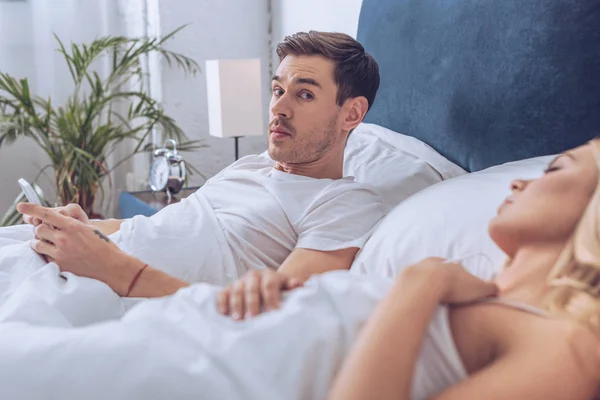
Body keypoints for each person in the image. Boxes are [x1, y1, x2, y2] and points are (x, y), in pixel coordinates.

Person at [6, 141, 600, 400]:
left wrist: (423, 283)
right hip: (198, 330)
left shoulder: (569, 347)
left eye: (557, 171)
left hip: (206, 369)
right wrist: (270, 297)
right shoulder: (487, 296)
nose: (522, 179)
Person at [15, 31, 385, 309]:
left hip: (112, 296)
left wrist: (112, 268)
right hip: (70, 263)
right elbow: (163, 227)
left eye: (304, 94)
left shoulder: (344, 201)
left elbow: (276, 316)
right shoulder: (251, 165)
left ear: (351, 113)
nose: (278, 108)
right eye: (277, 90)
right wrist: (85, 226)